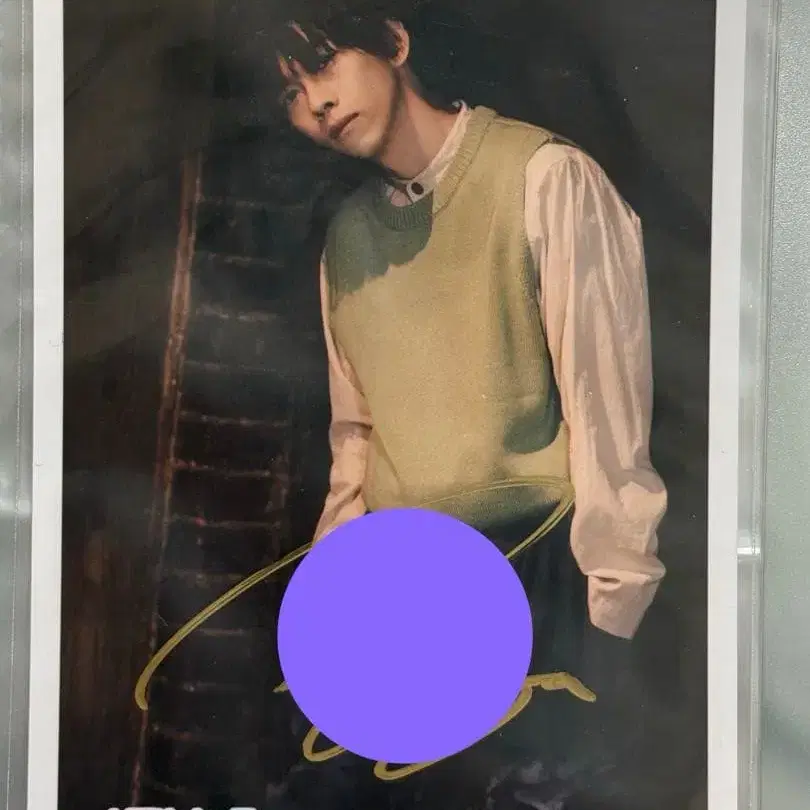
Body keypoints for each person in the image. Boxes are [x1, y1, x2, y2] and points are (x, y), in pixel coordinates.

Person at [266, 4, 668, 808]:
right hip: (398, 609)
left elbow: (608, 424)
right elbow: (355, 444)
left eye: (326, 62)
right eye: (289, 92)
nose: (316, 101)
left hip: (536, 585)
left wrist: (606, 629)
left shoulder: (545, 177)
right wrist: (329, 629)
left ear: (394, 41)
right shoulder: (347, 241)